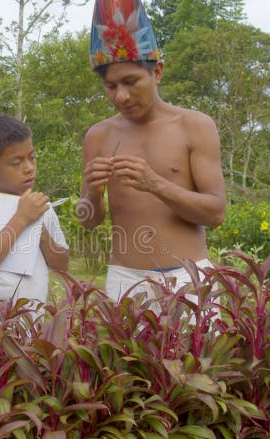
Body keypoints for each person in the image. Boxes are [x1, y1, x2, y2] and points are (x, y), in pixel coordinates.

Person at [78, 0, 226, 312]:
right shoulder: (98, 136)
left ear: (156, 72)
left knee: (198, 361)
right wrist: (92, 192)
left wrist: (155, 184)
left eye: (131, 82)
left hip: (188, 277)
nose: (121, 96)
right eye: (111, 86)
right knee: (122, 363)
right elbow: (89, 221)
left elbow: (215, 214)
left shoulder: (194, 126)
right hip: (124, 280)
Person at [0, 114, 69, 317]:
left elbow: (61, 266)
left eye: (32, 157)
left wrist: (39, 227)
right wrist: (22, 219)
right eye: (17, 162)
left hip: (33, 322)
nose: (29, 168)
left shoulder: (42, 206)